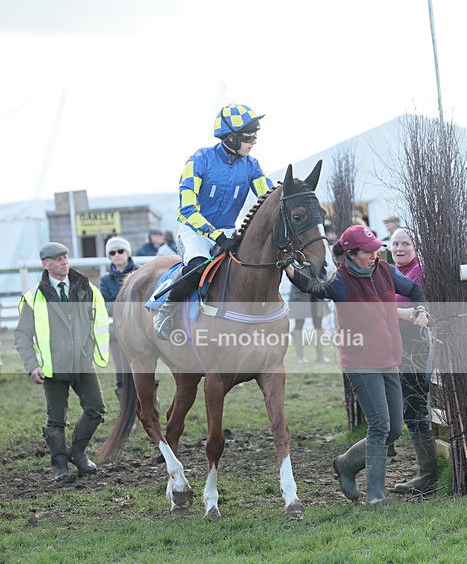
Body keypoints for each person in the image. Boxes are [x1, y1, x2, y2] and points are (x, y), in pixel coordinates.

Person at [285, 224, 427, 504]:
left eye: (376, 250)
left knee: (395, 428)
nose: (375, 255)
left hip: (390, 358)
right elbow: (314, 286)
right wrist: (291, 272)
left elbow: (414, 290)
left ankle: (346, 465)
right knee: (380, 426)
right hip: (361, 364)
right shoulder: (341, 281)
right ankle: (376, 496)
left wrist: (421, 309)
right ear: (351, 254)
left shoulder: (385, 271)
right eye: (368, 252)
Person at [154, 103, 273, 340]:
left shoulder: (252, 165)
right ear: (229, 137)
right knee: (198, 267)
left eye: (255, 135)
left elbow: (267, 197)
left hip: (229, 231)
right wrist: (216, 235)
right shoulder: (199, 159)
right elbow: (187, 210)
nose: (254, 141)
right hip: (194, 231)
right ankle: (166, 312)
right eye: (248, 136)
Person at [14, 242, 109, 483]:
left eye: (66, 257)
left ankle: (77, 453)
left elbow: (99, 321)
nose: (64, 262)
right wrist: (31, 366)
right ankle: (59, 466)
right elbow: (22, 336)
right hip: (52, 368)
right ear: (46, 264)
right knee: (55, 420)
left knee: (96, 409)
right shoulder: (33, 297)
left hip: (82, 363)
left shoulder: (87, 289)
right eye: (58, 259)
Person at [390, 227, 439, 494]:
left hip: (414, 346)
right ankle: (425, 470)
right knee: (404, 407)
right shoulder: (394, 272)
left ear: (415, 246)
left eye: (405, 244)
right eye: (395, 243)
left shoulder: (418, 272)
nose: (399, 249)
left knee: (414, 406)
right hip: (396, 345)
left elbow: (423, 310)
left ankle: (427, 474)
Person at [98, 236, 138, 397]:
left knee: (144, 371)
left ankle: (149, 405)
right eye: (112, 253)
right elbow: (106, 307)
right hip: (118, 331)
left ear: (127, 253)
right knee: (121, 373)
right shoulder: (105, 280)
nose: (117, 255)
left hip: (140, 331)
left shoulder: (141, 273)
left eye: (120, 251)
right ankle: (125, 407)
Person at [289, 284, 330, 363]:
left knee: (318, 324)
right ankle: (300, 357)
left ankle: (321, 356)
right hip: (299, 287)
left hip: (317, 288)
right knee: (299, 324)